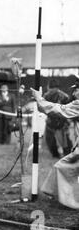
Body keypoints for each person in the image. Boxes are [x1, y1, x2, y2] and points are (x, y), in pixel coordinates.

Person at [31, 77, 79, 209]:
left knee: (62, 166)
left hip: (60, 126)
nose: (73, 94)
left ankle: (67, 201)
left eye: (76, 90)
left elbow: (59, 109)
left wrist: (39, 99)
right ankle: (58, 195)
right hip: (57, 126)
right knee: (62, 165)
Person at [43, 79, 72, 158]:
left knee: (65, 140)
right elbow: (44, 107)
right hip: (50, 121)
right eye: (50, 88)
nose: (51, 90)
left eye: (53, 88)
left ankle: (68, 154)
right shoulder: (46, 96)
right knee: (50, 140)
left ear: (56, 88)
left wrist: (66, 120)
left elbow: (68, 109)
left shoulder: (64, 96)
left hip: (62, 121)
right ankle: (55, 154)